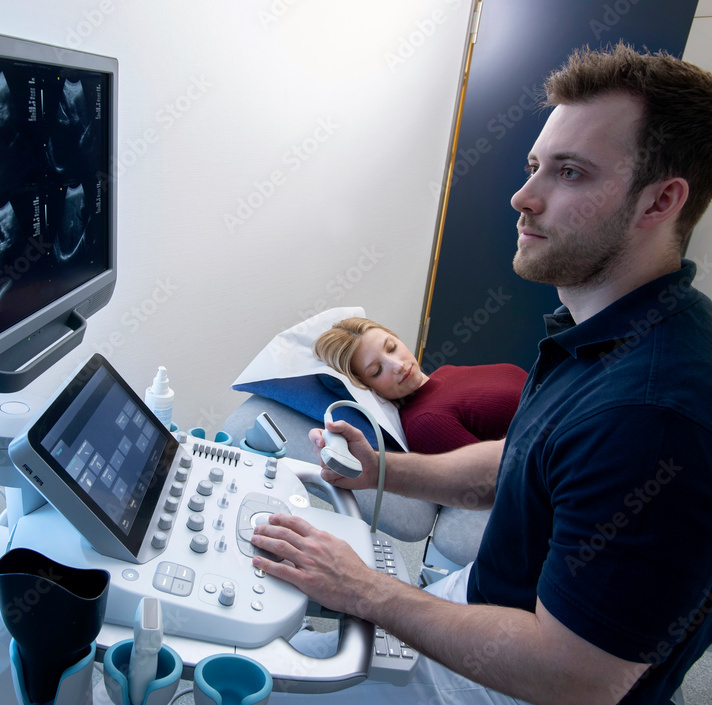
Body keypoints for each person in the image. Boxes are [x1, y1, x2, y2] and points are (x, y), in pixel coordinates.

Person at [252, 43, 712, 705]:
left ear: (658, 202)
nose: (523, 197)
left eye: (571, 173)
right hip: (482, 597)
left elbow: (575, 677)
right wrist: (383, 469)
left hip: (517, 682)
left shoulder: (653, 415)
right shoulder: (599, 330)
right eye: (533, 167)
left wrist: (367, 589)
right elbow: (520, 461)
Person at [314, 318, 528, 453]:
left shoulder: (446, 372)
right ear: (366, 386)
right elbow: (499, 478)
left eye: (391, 347)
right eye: (377, 371)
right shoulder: (425, 424)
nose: (397, 366)